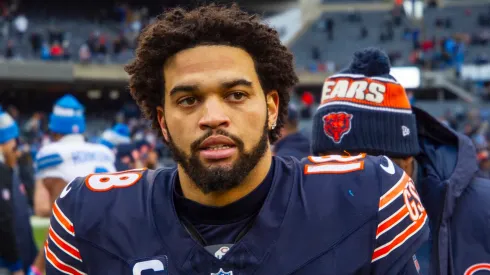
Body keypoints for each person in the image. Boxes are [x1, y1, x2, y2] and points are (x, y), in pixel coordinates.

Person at [45, 5, 428, 274]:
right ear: (162, 121)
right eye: (188, 100)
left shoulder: (366, 196)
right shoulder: (91, 214)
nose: (213, 118)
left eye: (236, 95)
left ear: (272, 107)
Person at [310, 48, 490, 275]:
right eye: (328, 163)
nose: (342, 180)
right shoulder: (307, 219)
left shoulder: (482, 211)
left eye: (361, 165)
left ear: (406, 159)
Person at [33, 95, 116, 274]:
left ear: (55, 127)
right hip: (114, 243)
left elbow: (41, 208)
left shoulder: (51, 153)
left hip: (74, 245)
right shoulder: (105, 152)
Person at [0, 108, 37, 275]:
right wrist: (15, 265)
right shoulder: (3, 172)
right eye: (14, 141)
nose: (17, 148)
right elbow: (4, 221)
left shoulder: (9, 171)